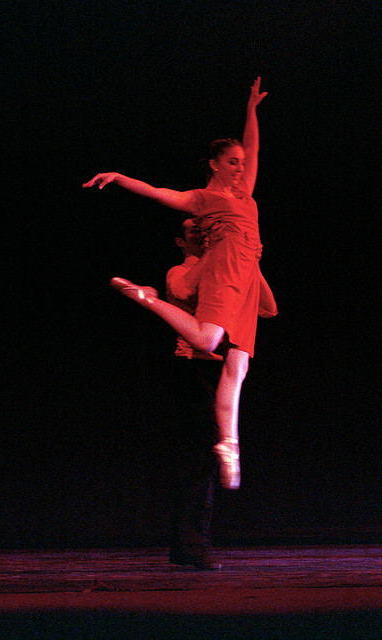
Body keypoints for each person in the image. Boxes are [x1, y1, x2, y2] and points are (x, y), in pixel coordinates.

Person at [83, 77, 278, 490]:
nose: (240, 166)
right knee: (208, 341)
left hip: (248, 275)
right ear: (214, 164)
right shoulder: (201, 199)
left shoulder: (246, 194)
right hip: (225, 267)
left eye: (241, 162)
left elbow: (254, 147)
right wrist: (119, 177)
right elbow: (156, 192)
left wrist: (251, 110)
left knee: (237, 364)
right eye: (231, 162)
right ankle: (144, 298)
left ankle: (229, 444)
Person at [167, 218, 223, 570]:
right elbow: (186, 292)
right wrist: (220, 250)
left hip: (219, 368)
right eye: (193, 231)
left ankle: (191, 544)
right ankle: (189, 546)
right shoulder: (178, 272)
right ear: (180, 241)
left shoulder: (217, 269)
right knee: (201, 458)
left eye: (205, 229)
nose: (201, 235)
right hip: (193, 368)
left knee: (209, 459)